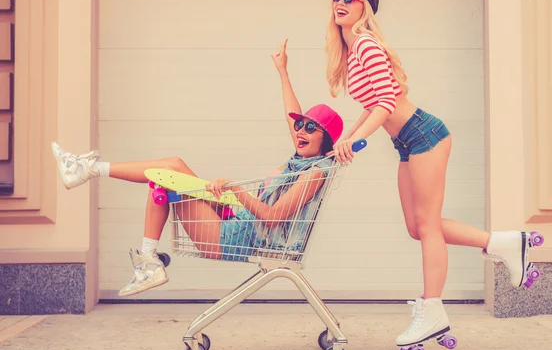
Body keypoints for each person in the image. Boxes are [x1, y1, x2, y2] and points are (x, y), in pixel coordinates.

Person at [316, 0, 544, 349]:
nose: (341, 2)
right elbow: (372, 106)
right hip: (407, 142)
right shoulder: (352, 49)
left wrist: (356, 139)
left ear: (365, 9)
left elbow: (388, 103)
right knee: (417, 226)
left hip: (425, 135)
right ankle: (502, 243)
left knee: (427, 226)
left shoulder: (367, 45)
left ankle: (433, 308)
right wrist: (346, 137)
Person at [51, 42, 344, 297]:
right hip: (233, 220)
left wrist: (235, 189)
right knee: (174, 165)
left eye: (310, 127)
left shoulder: (314, 173)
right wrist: (283, 71)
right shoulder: (299, 159)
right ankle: (88, 169)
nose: (300, 130)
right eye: (299, 125)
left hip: (237, 238)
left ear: (325, 138)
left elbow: (273, 216)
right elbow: (289, 113)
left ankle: (148, 260)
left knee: (166, 180)